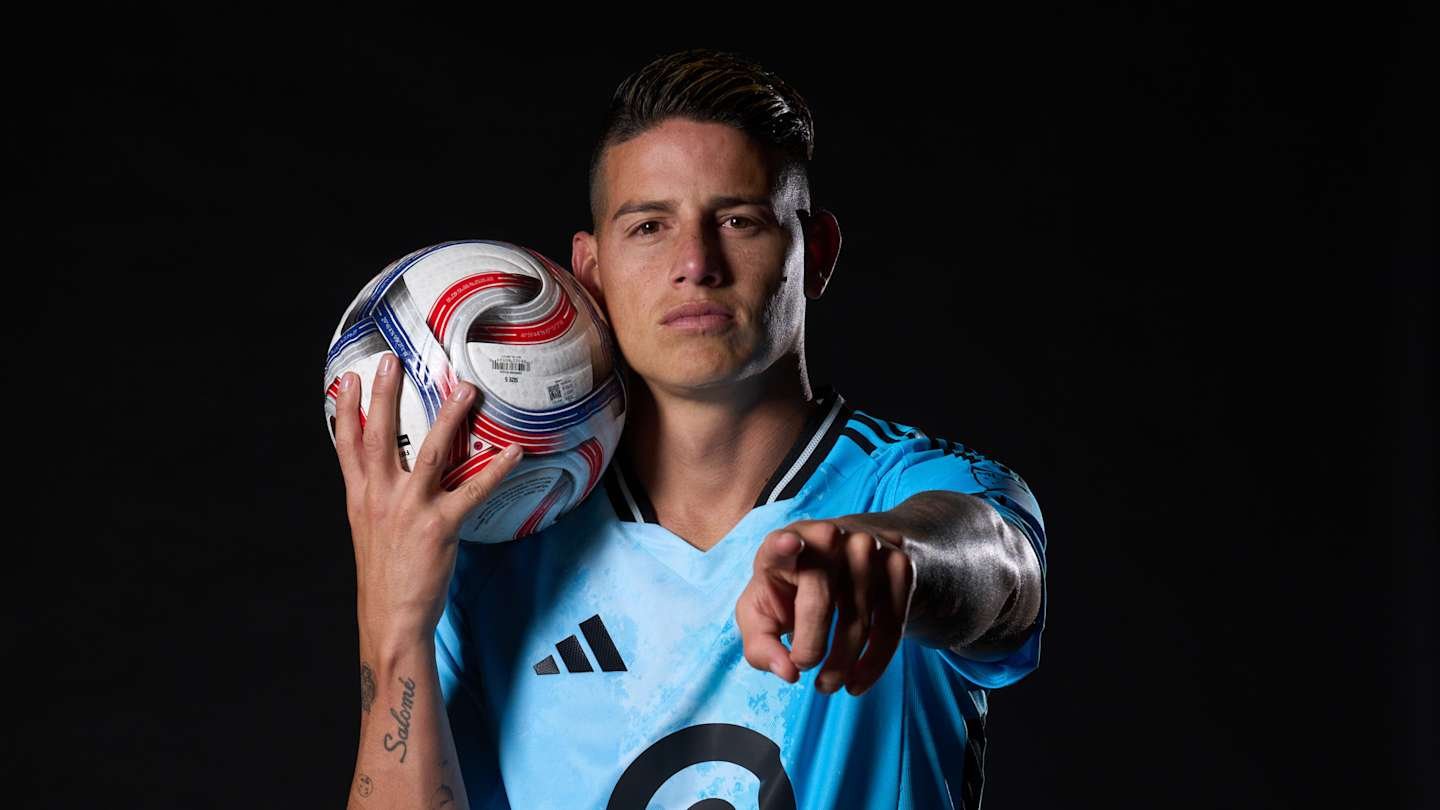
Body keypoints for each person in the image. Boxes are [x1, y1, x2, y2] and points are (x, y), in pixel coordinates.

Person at [330, 48, 1047, 809]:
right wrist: (394, 625)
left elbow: (998, 571)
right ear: (591, 266)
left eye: (739, 220)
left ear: (817, 254)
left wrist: (894, 560)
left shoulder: (912, 486)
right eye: (649, 226)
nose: (695, 263)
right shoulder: (496, 550)